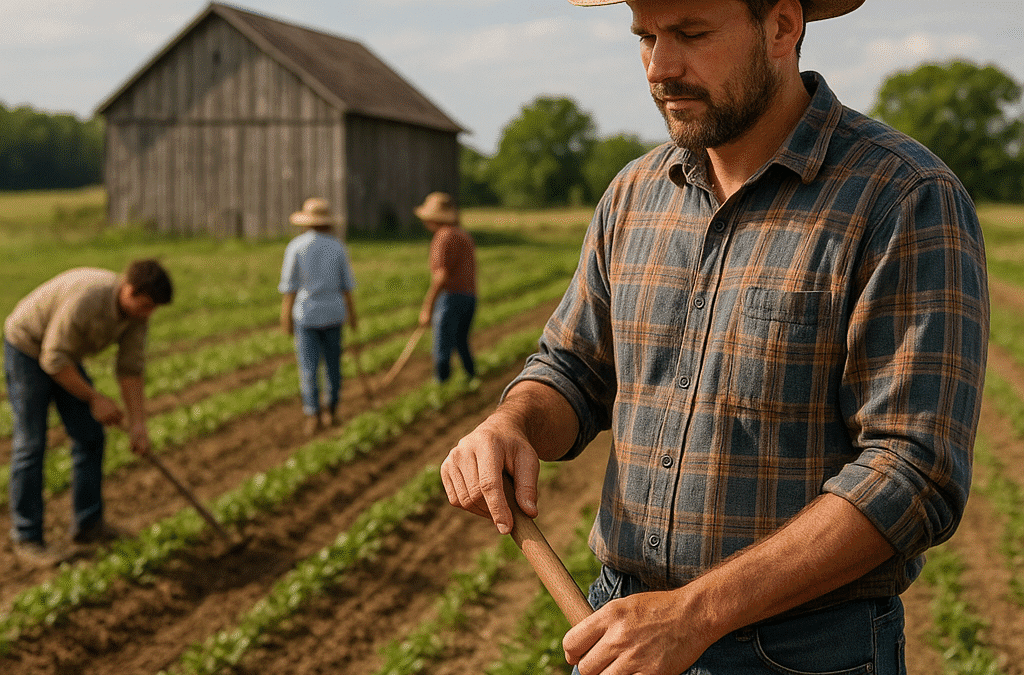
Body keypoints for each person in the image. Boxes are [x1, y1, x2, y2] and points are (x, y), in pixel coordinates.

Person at [439, 0, 989, 673]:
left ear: (782, 26)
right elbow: (573, 369)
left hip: (800, 651)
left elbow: (914, 471)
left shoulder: (901, 197)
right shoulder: (633, 194)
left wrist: (694, 613)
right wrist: (513, 424)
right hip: (618, 625)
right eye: (646, 36)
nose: (660, 67)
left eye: (691, 34)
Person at [4, 259, 174, 567]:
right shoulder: (88, 298)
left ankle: (88, 524)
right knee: (31, 444)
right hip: (28, 348)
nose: (148, 314)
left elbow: (130, 370)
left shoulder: (138, 315)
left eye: (153, 309)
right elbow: (51, 359)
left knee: (90, 437)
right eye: (146, 305)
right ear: (129, 290)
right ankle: (27, 537)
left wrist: (138, 424)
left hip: (63, 354)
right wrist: (94, 398)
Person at [279, 197, 358, 435]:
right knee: (333, 366)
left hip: (306, 316)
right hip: (334, 314)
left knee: (309, 367)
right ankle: (331, 410)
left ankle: (312, 412)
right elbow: (347, 287)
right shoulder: (338, 247)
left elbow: (290, 287)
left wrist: (285, 318)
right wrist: (353, 316)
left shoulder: (296, 246)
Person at [415, 192, 477, 382]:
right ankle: (472, 377)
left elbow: (441, 277)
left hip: (451, 298)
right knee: (461, 341)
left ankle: (441, 387)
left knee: (442, 346)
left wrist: (427, 307)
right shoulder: (463, 235)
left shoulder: (442, 237)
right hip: (470, 297)